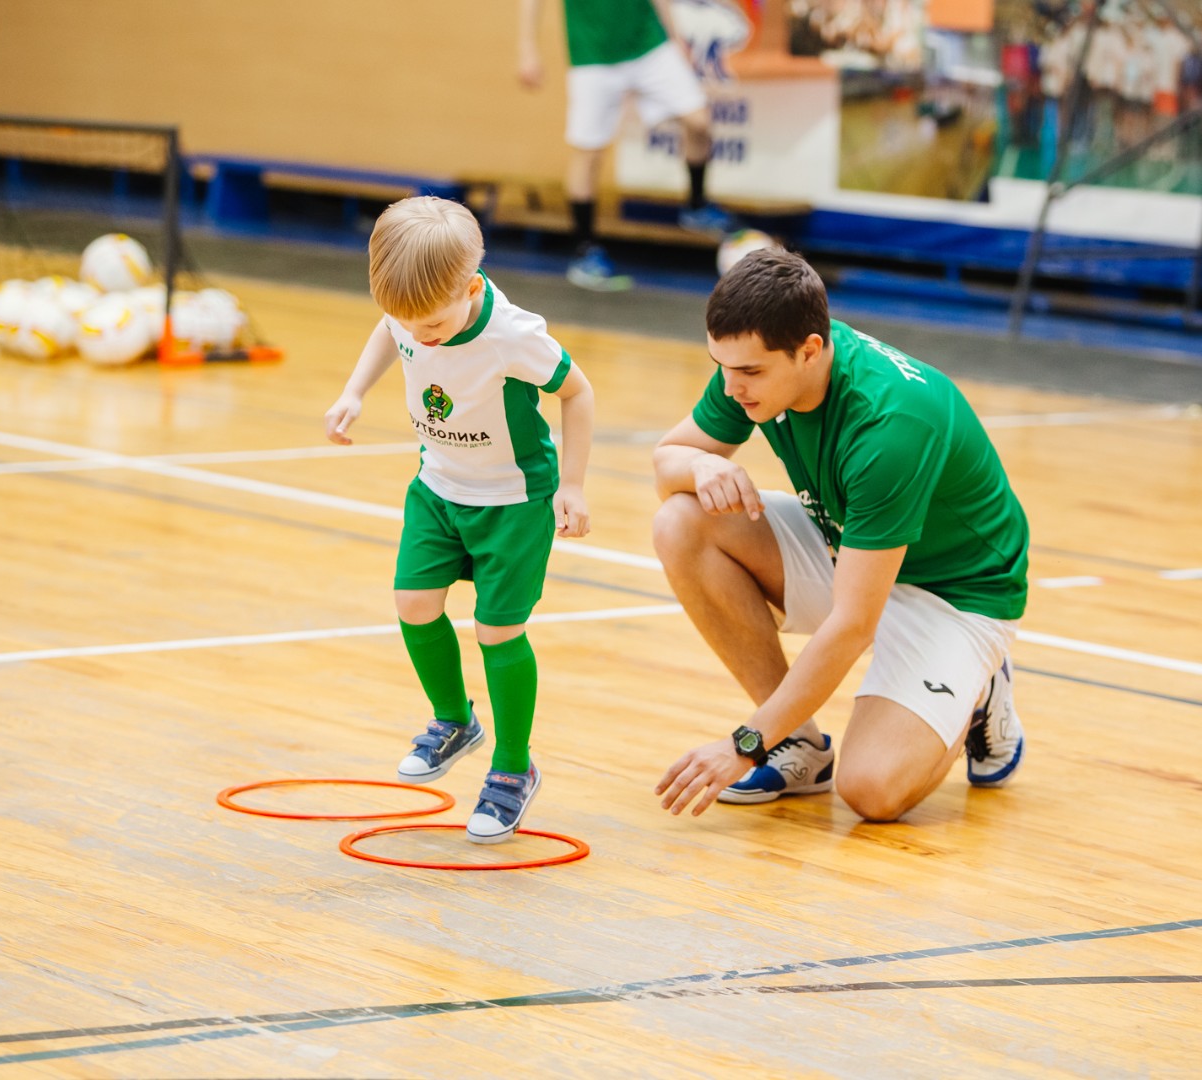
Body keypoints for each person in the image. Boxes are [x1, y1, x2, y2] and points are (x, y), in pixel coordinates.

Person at [650, 249, 1030, 822]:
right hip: (852, 548)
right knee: (681, 523)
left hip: (956, 594)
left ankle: (978, 687)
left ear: (809, 350)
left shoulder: (891, 427)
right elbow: (666, 463)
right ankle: (796, 744)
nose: (731, 388)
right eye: (721, 366)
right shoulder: (756, 358)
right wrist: (700, 467)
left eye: (749, 373)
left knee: (871, 792)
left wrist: (741, 746)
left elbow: (852, 625)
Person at [324, 197, 596, 843]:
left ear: (471, 288)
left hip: (513, 500)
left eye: (435, 324)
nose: (421, 335)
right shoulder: (411, 311)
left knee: (498, 631)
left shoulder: (513, 336)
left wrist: (576, 486)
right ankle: (455, 720)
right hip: (438, 487)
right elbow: (386, 330)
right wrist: (353, 390)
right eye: (409, 323)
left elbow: (577, 392)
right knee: (413, 602)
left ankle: (511, 768)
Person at [517, 0, 736, 292]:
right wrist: (527, 49)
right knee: (589, 152)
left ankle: (696, 206)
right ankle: (585, 251)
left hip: (648, 44)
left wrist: (674, 38)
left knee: (699, 122)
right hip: (592, 53)